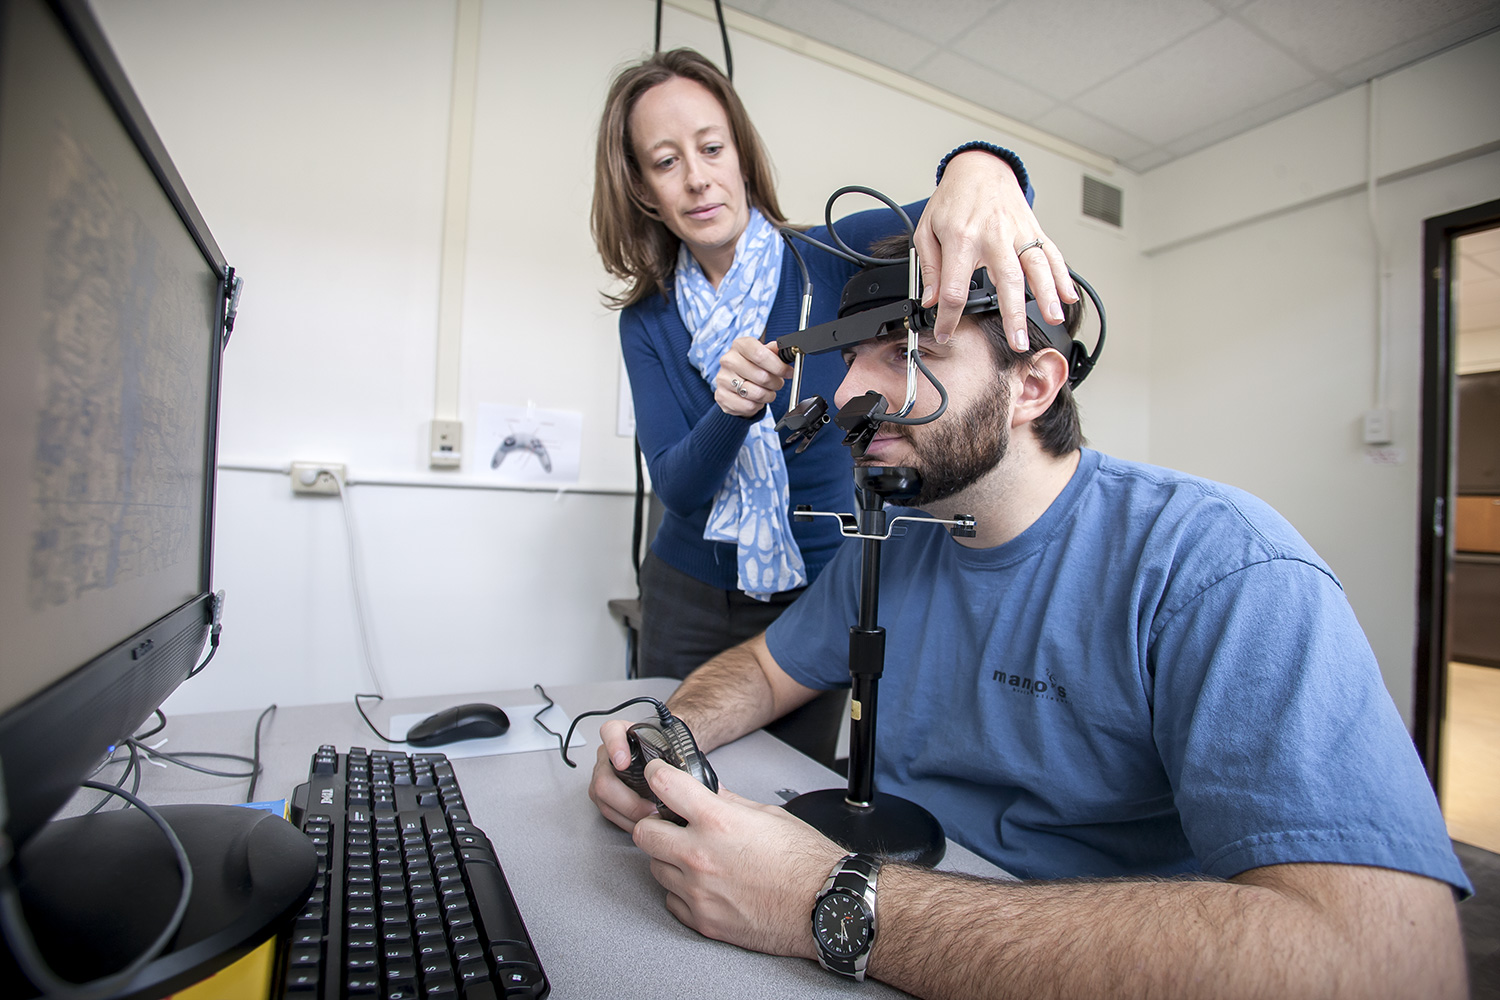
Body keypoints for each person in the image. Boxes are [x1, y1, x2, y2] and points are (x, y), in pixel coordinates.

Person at [587, 243, 1472, 997]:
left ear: (1035, 384)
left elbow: (1393, 965)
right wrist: (666, 733)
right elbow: (771, 668)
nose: (855, 393)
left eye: (907, 352)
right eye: (852, 359)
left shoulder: (1220, 567)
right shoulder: (900, 535)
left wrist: (831, 899)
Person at [591, 47, 1077, 684]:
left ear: (740, 155)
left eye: (712, 148)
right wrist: (731, 411)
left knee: (788, 783)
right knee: (667, 755)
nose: (697, 179)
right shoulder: (648, 321)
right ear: (643, 189)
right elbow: (679, 491)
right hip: (688, 591)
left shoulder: (833, 253)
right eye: (665, 161)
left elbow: (979, 208)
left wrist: (979, 166)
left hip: (819, 587)